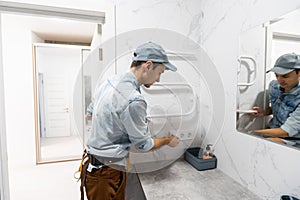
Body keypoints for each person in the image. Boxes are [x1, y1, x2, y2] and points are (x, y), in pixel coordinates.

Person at [79, 41, 180, 200]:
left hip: (92, 165)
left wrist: (121, 124)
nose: (159, 79)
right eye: (160, 72)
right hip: (107, 173)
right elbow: (143, 145)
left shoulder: (109, 82)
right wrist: (168, 140)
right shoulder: (134, 100)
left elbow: (90, 113)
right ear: (148, 65)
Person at [251, 53, 300, 146]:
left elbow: (286, 131)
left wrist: (250, 132)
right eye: (277, 75)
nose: (280, 80)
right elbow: (279, 106)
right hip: (273, 131)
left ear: (299, 73)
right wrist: (265, 112)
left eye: (285, 76)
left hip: (293, 139)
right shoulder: (274, 86)